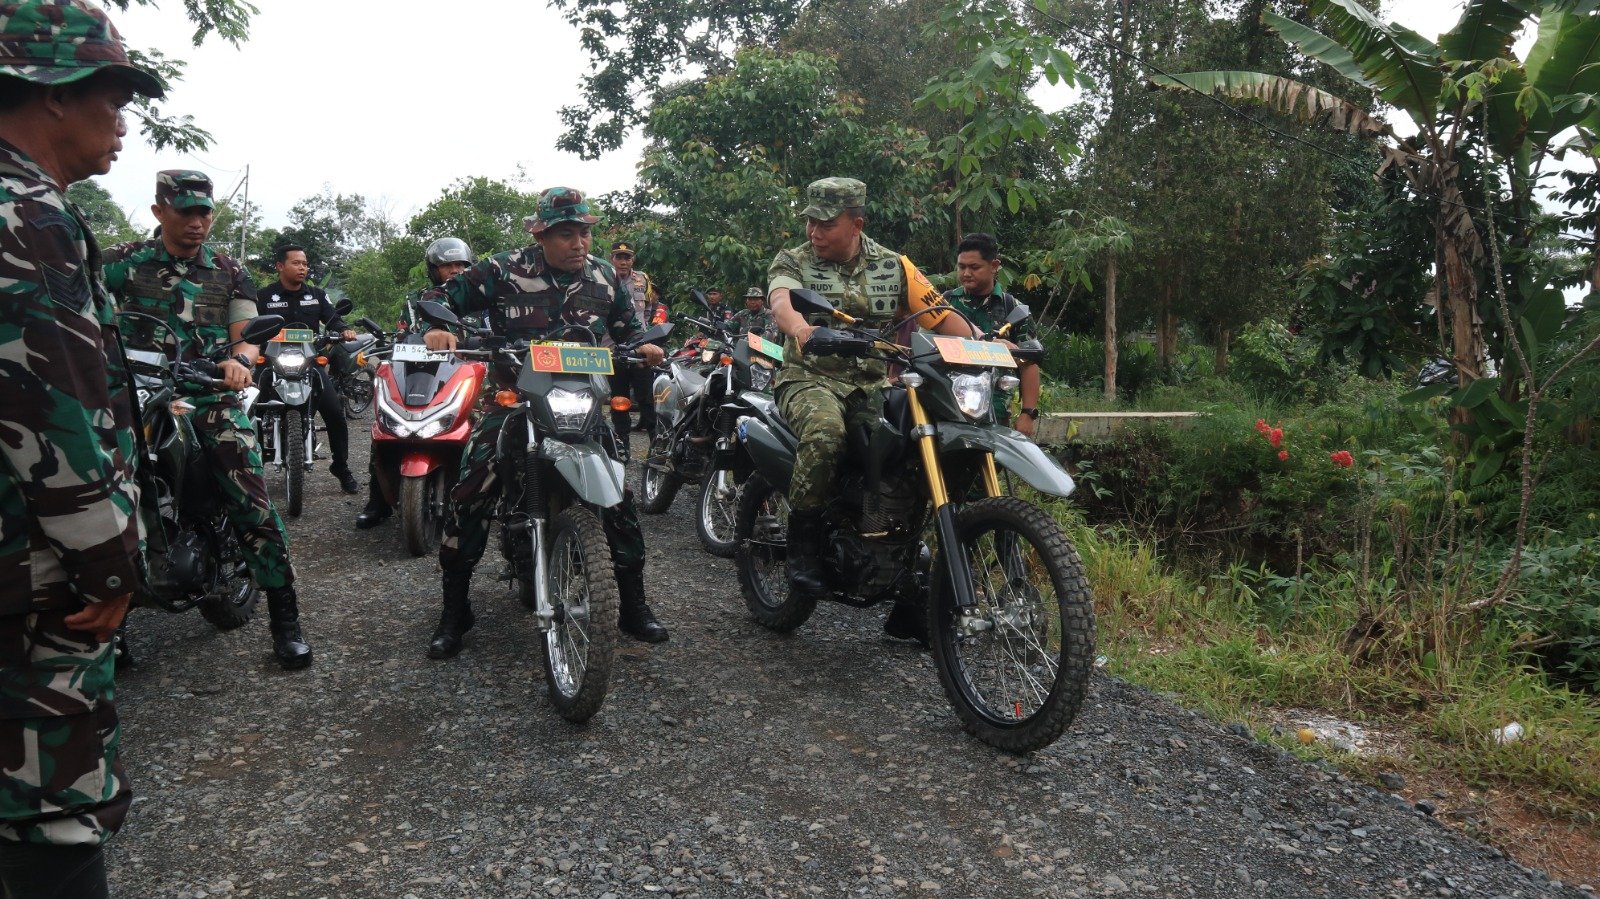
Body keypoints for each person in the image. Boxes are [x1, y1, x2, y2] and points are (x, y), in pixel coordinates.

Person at [0, 3, 162, 893]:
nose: (123, 119)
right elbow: (51, 413)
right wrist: (108, 563)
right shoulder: (27, 214)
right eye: (113, 93)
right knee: (50, 803)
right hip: (31, 571)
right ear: (53, 93)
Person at [418, 187, 670, 658]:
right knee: (472, 488)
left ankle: (633, 603)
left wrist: (644, 344)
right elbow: (439, 296)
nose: (580, 243)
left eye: (585, 232)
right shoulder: (501, 269)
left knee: (619, 493)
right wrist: (440, 326)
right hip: (513, 399)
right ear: (541, 234)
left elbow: (628, 327)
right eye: (567, 233)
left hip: (583, 400)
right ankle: (455, 609)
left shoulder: (603, 277)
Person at [102, 171, 314, 672]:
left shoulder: (227, 269)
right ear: (160, 212)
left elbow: (246, 332)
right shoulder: (120, 261)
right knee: (98, 492)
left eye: (204, 212)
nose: (197, 222)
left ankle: (285, 621)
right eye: (185, 212)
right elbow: (85, 312)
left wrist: (238, 359)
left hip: (206, 392)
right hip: (132, 392)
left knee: (247, 489)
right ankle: (112, 630)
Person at [767, 177, 976, 642]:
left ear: (856, 223)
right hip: (809, 379)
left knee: (914, 454)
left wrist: (984, 343)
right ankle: (802, 544)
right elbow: (781, 301)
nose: (813, 231)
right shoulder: (794, 260)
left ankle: (909, 593)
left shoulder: (894, 265)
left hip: (872, 386)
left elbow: (942, 315)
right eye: (809, 220)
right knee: (824, 433)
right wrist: (802, 330)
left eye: (825, 222)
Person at [355, 236, 473, 529]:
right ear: (434, 269)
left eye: (461, 265)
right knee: (387, 427)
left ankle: (485, 500)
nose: (455, 270)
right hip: (421, 372)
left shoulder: (478, 303)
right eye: (448, 265)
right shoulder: (415, 301)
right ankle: (378, 501)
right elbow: (401, 337)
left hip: (466, 373)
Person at [256, 244, 359, 494]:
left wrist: (342, 329)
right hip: (271, 363)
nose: (302, 267)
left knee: (335, 412)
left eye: (304, 263)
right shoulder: (264, 296)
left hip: (308, 362)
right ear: (280, 266)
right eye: (296, 263)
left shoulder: (316, 294)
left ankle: (341, 466)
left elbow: (332, 318)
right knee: (249, 408)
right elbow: (250, 324)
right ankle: (250, 467)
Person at [942, 232, 1041, 437]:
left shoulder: (1013, 309)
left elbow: (1029, 363)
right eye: (962, 267)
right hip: (945, 406)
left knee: (990, 466)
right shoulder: (945, 304)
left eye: (974, 267)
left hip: (994, 412)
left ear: (994, 266)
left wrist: (1027, 413)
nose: (966, 273)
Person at [607, 240, 661, 447]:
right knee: (618, 399)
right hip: (612, 348)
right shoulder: (605, 278)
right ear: (612, 259)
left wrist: (644, 336)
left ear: (632, 260)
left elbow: (646, 310)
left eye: (627, 257)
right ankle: (622, 444)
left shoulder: (642, 279)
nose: (623, 261)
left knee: (646, 397)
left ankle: (655, 443)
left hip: (639, 348)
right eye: (619, 257)